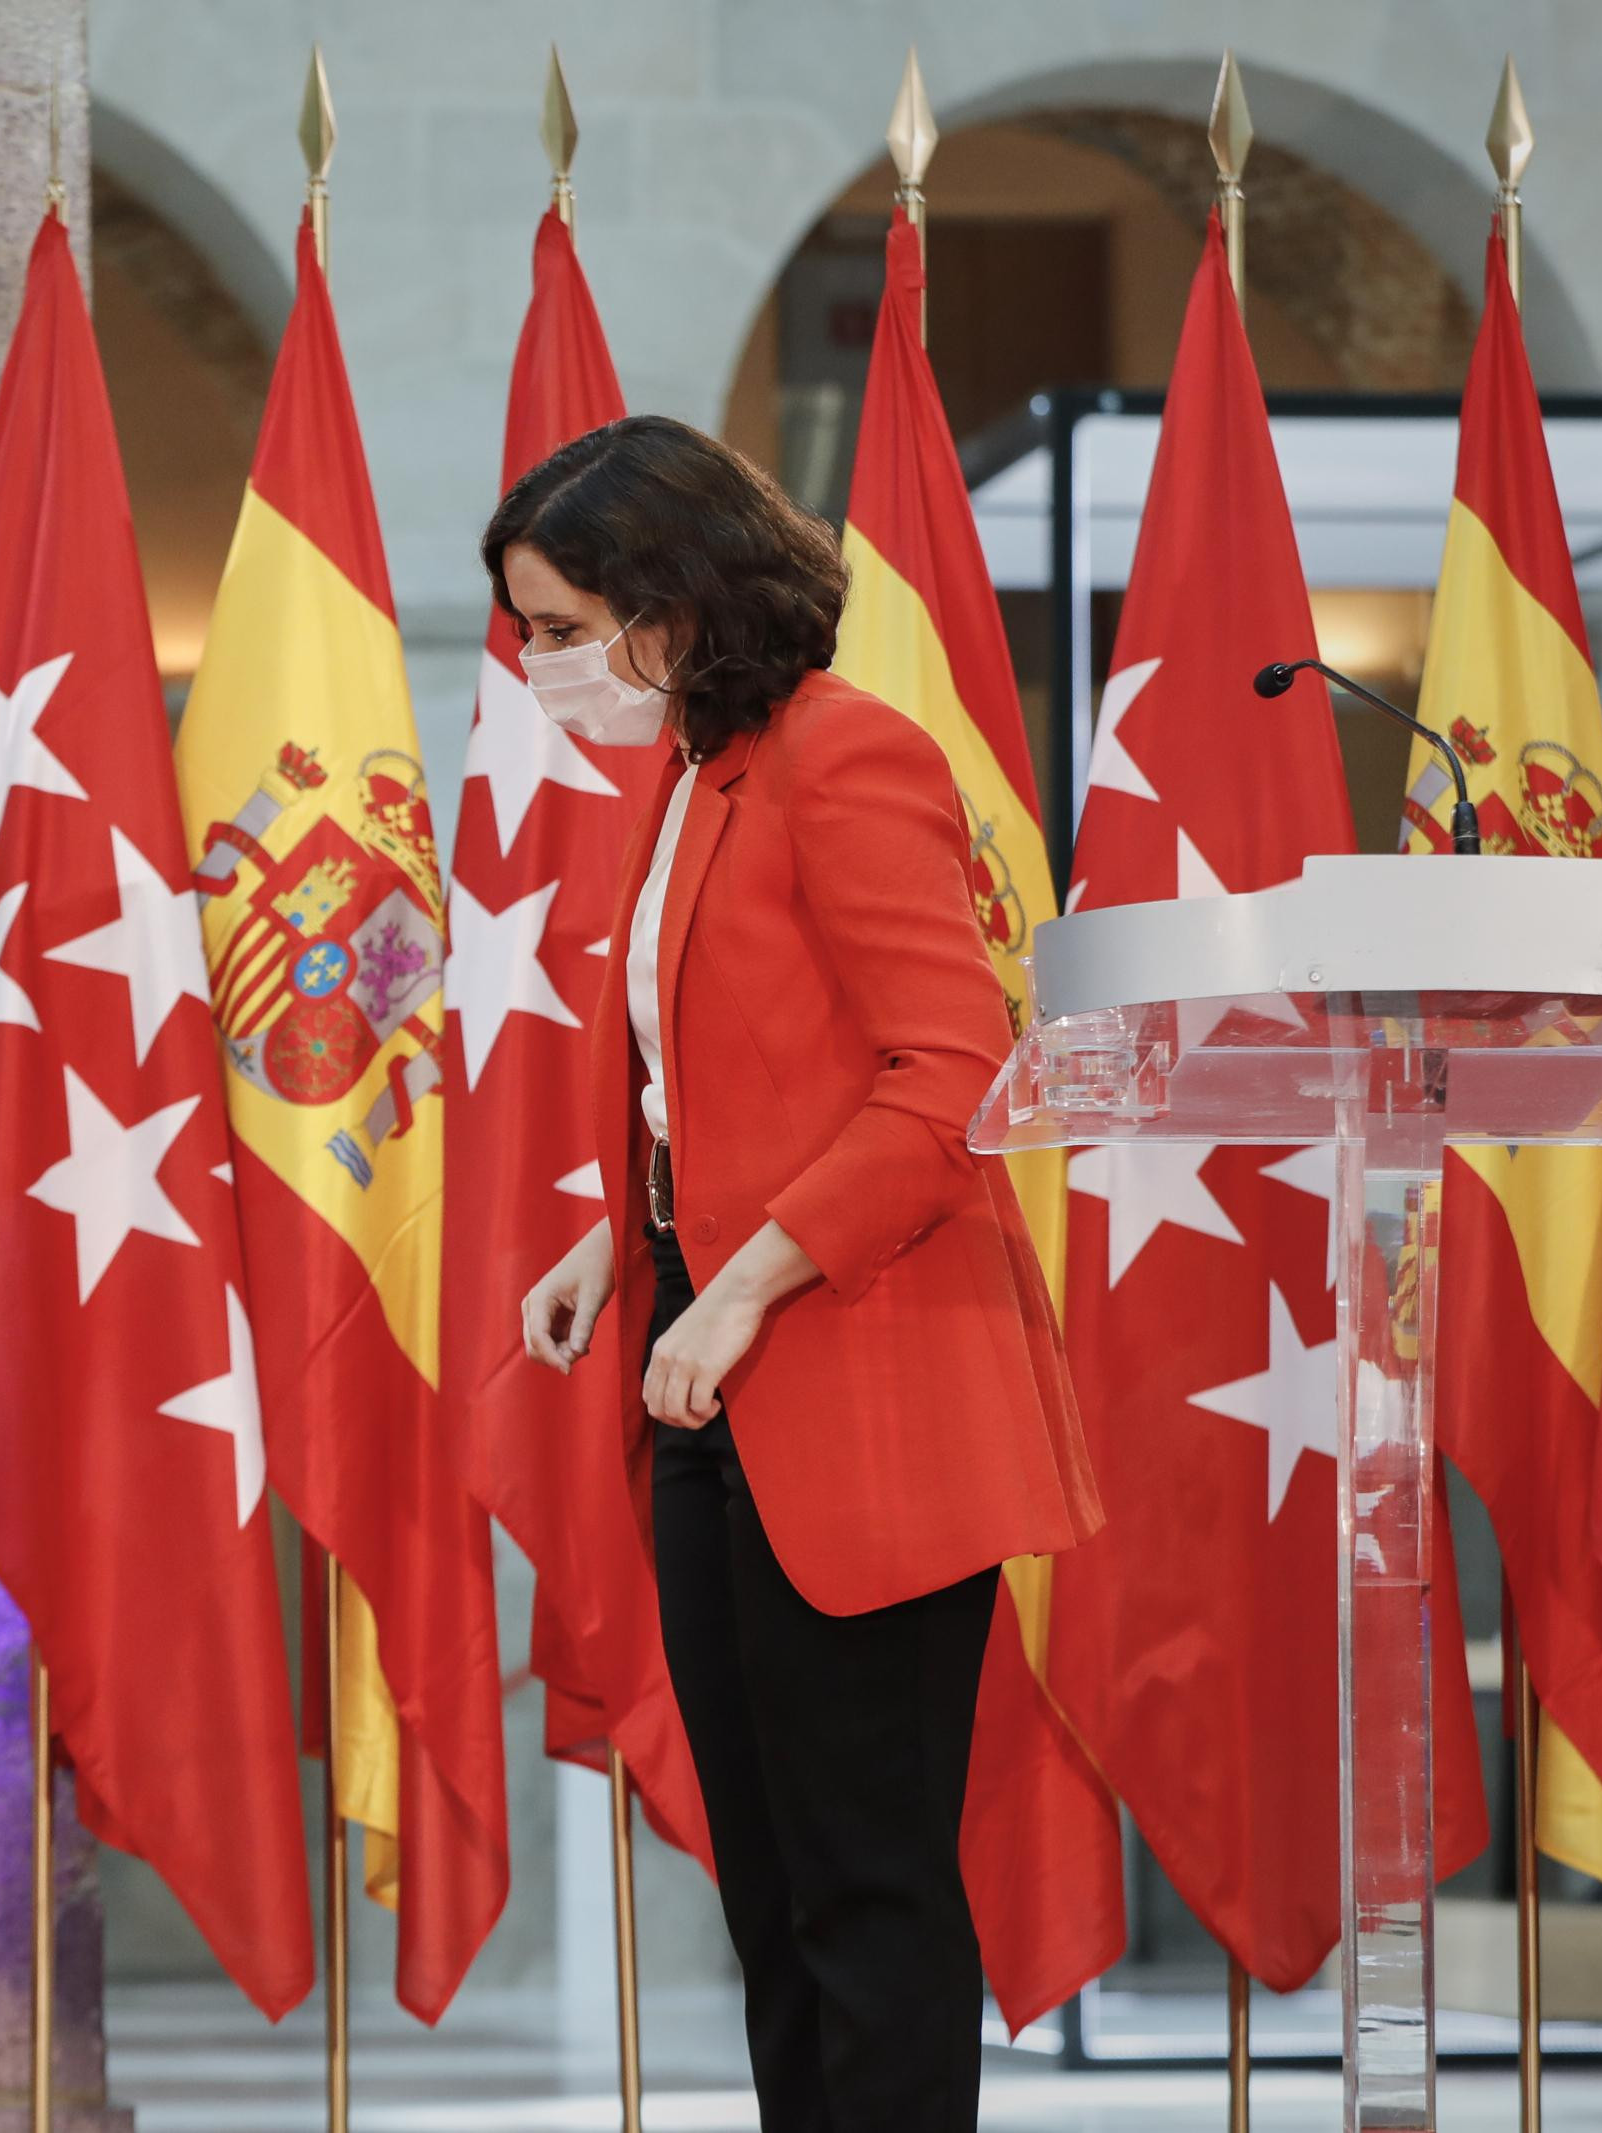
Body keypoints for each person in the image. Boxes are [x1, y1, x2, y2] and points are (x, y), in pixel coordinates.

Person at [500, 415, 1098, 2131]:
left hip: (865, 1385)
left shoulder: (846, 755)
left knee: (867, 1888)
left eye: (558, 630)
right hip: (717, 1376)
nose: (542, 670)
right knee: (772, 1895)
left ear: (670, 603)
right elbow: (734, 1078)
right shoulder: (697, 775)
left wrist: (744, 1281)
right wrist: (621, 1251)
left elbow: (947, 1073)